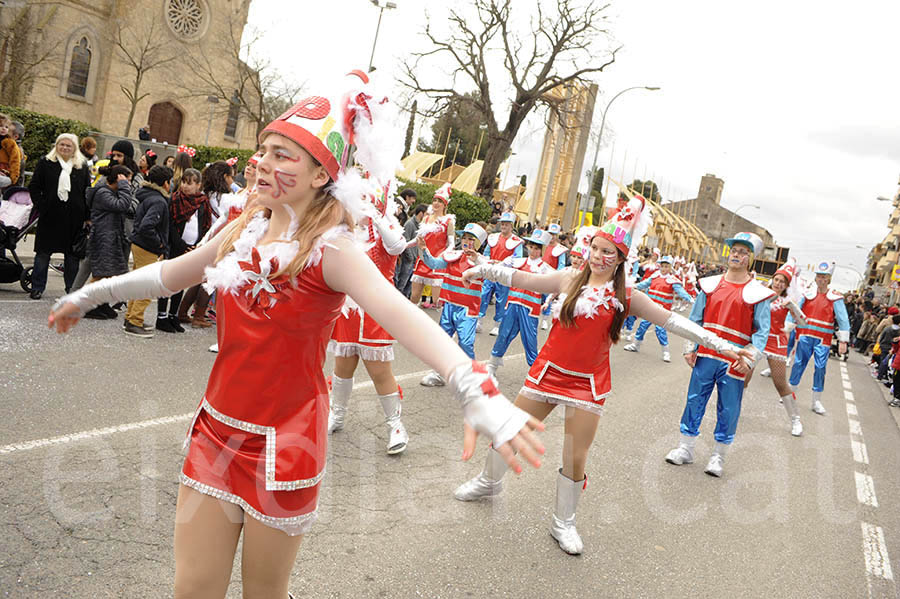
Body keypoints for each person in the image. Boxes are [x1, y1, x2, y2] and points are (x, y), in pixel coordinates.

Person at [48, 70, 544, 597]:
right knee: (192, 588)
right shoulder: (243, 230)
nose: (262, 162)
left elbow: (403, 315)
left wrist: (475, 390)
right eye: (264, 150)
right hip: (215, 432)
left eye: (283, 154)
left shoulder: (333, 250)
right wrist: (90, 293)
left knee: (264, 592)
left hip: (287, 445)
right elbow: (170, 274)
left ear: (318, 176)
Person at [455, 190, 748, 555]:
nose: (599, 256)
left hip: (588, 383)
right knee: (509, 429)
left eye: (608, 252)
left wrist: (721, 345)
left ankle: (564, 522)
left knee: (575, 455)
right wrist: (480, 270)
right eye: (595, 248)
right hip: (547, 371)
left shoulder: (627, 297)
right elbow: (518, 279)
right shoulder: (568, 279)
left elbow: (673, 321)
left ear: (621, 259)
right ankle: (488, 481)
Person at [665, 232, 774, 478]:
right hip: (706, 353)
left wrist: (750, 359)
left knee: (729, 408)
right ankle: (686, 448)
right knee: (694, 399)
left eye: (743, 252)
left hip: (734, 360)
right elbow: (696, 319)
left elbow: (761, 332)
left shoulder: (758, 292)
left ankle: (718, 456)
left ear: (750, 258)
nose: (736, 255)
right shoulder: (710, 284)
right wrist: (690, 347)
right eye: (734, 250)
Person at [327, 187, 410, 454]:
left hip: (375, 311)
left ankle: (395, 425)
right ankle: (337, 415)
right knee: (343, 367)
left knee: (379, 372)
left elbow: (398, 246)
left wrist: (378, 215)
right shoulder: (348, 235)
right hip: (348, 311)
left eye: (364, 203)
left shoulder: (386, 232)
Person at [419, 222, 488, 386]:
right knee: (443, 339)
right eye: (463, 237)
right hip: (449, 305)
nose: (465, 241)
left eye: (470, 238)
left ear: (478, 243)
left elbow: (488, 273)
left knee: (465, 342)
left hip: (468, 310)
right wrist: (423, 249)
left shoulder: (483, 262)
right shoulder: (453, 255)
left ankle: (473, 376)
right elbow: (434, 264)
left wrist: (476, 258)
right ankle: (438, 372)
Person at [745, 258, 807, 436]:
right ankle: (734, 409)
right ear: (773, 280)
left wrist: (794, 308)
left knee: (780, 383)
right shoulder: (761, 293)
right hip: (757, 339)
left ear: (787, 285)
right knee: (744, 376)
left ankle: (795, 420)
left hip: (776, 342)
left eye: (783, 281)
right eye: (777, 280)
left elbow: (802, 322)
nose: (779, 283)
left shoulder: (786, 300)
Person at [27, 133, 91, 299]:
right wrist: (42, 206)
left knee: (72, 257)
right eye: (61, 144)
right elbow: (34, 186)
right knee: (43, 254)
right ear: (56, 146)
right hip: (50, 216)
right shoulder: (46, 163)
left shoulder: (81, 166)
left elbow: (87, 191)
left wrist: (87, 215)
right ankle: (37, 287)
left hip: (73, 219)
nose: (64, 148)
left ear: (74, 149)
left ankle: (71, 289)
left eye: (68, 146)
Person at [484, 229, 554, 377]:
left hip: (530, 310)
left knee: (530, 340)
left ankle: (535, 373)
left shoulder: (546, 269)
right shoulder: (517, 262)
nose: (533, 251)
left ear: (542, 250)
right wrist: (503, 263)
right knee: (503, 335)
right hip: (512, 305)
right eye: (531, 247)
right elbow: (497, 270)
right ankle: (492, 366)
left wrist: (548, 301)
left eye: (537, 248)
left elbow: (555, 286)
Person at [788, 260, 850, 415]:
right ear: (815, 278)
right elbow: (795, 310)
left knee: (820, 368)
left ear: (829, 279)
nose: (821, 280)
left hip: (823, 339)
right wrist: (788, 326)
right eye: (819, 276)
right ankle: (789, 393)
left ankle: (816, 401)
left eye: (824, 277)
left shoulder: (835, 298)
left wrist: (843, 341)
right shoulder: (807, 295)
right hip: (805, 336)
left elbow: (843, 319)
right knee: (798, 364)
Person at [123, 165, 174, 338]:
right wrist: (159, 244)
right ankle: (134, 321)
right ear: (166, 183)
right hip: (147, 247)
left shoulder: (147, 195)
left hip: (138, 243)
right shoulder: (159, 201)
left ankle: (130, 317)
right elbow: (147, 225)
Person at [84, 164, 134, 320]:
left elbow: (128, 207)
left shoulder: (112, 192)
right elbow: (122, 206)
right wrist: (125, 187)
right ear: (118, 179)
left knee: (109, 273)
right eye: (127, 180)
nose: (129, 184)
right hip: (102, 237)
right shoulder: (102, 193)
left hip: (111, 236)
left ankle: (101, 303)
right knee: (100, 274)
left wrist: (124, 188)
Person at [623, 255, 695, 362]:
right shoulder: (655, 276)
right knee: (642, 326)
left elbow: (681, 292)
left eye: (666, 266)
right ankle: (635, 345)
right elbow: (643, 284)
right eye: (662, 266)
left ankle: (665, 352)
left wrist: (690, 299)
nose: (664, 269)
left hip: (662, 311)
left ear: (670, 268)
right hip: (650, 308)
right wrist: (632, 286)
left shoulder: (672, 280)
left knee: (660, 330)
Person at [409, 183, 455, 308]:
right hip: (423, 261)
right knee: (414, 297)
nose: (436, 203)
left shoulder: (448, 221)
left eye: (439, 201)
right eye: (434, 200)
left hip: (437, 263)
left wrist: (443, 255)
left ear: (445, 205)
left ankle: (443, 326)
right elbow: (417, 239)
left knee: (437, 301)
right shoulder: (426, 219)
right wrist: (402, 246)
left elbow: (452, 244)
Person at [477, 212, 523, 335]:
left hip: (504, 274)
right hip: (490, 271)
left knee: (501, 299)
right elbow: (486, 252)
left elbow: (517, 258)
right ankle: (479, 321)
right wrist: (488, 260)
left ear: (511, 226)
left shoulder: (516, 241)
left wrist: (503, 263)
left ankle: (497, 325)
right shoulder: (493, 237)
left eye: (506, 224)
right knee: (483, 295)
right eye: (502, 224)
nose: (504, 226)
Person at [395, 203, 426, 297]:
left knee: (409, 286)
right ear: (421, 213)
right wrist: (410, 257)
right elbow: (405, 240)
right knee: (402, 283)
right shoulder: (410, 224)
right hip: (408, 260)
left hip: (415, 261)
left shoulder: (421, 226)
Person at [0, 113, 22, 191]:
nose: (3, 129)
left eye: (6, 127)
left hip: (3, 169)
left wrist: (14, 176)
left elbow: (15, 160)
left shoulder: (9, 142)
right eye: (1, 126)